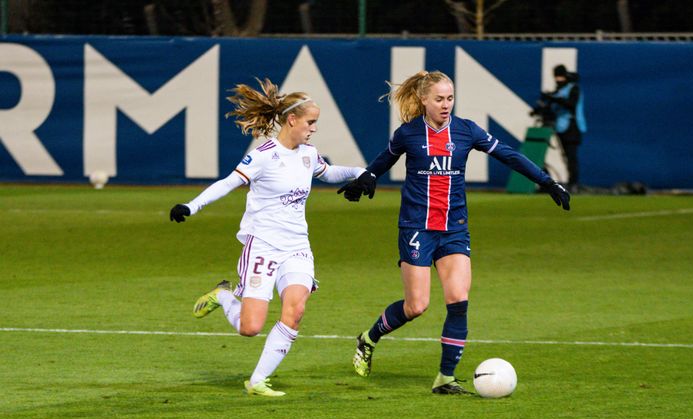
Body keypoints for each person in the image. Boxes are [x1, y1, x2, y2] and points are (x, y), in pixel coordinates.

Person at [337, 70, 570, 395]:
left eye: (450, 98)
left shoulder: (466, 131)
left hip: (454, 228)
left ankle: (445, 378)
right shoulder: (407, 133)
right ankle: (369, 337)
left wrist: (547, 182)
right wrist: (366, 180)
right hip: (416, 228)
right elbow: (381, 162)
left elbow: (510, 155)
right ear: (423, 100)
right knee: (416, 306)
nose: (446, 105)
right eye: (439, 99)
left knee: (458, 299)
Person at [170, 78, 366, 397]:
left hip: (297, 247)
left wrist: (360, 172)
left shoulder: (308, 154)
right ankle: (222, 296)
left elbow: (327, 173)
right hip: (263, 245)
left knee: (296, 310)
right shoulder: (263, 155)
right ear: (292, 120)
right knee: (251, 328)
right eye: (310, 122)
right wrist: (191, 206)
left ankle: (257, 380)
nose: (314, 128)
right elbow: (228, 183)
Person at [542, 64, 587, 192]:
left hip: (572, 127)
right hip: (561, 126)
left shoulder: (573, 88)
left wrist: (555, 99)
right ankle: (570, 182)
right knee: (566, 156)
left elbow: (571, 104)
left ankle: (573, 183)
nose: (558, 79)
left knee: (571, 156)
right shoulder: (559, 90)